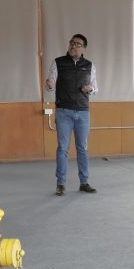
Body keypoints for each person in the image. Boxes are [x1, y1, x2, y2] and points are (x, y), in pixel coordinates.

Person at [46, 33, 98, 196]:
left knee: (82, 148)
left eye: (77, 44)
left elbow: (96, 89)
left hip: (83, 112)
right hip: (63, 111)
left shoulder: (90, 66)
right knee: (63, 148)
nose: (73, 46)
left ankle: (84, 182)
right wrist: (50, 85)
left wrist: (90, 89)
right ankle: (61, 184)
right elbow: (50, 86)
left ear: (83, 48)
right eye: (71, 43)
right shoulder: (58, 62)